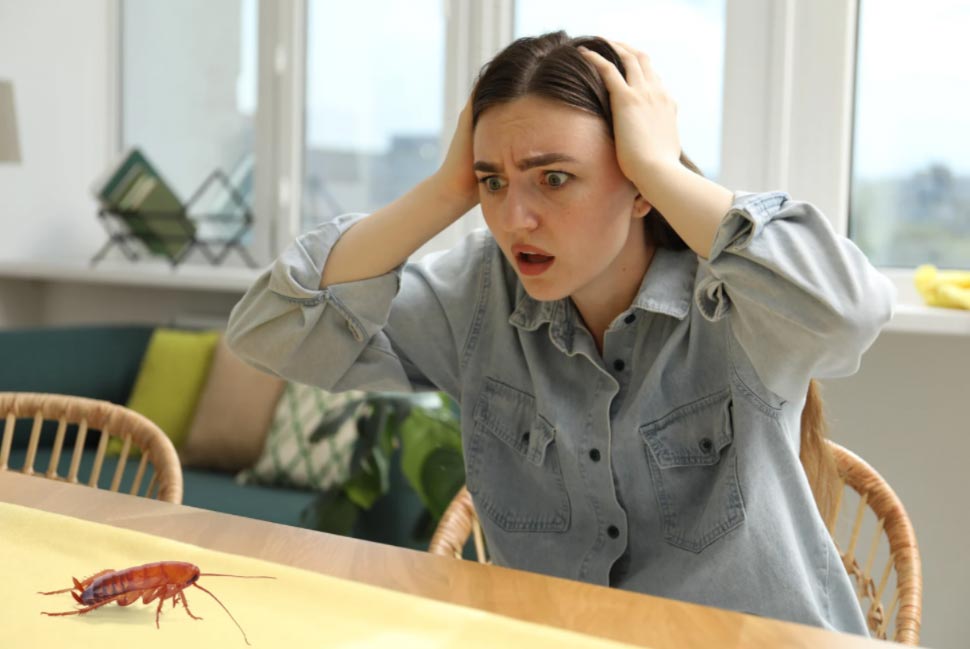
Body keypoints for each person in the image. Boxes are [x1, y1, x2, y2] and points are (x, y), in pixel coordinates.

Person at [226, 31, 895, 635]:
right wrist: (444, 190)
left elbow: (852, 312)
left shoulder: (731, 299)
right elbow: (272, 331)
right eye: (493, 181)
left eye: (554, 178)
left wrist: (664, 172)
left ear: (637, 187)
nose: (516, 218)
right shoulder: (479, 297)